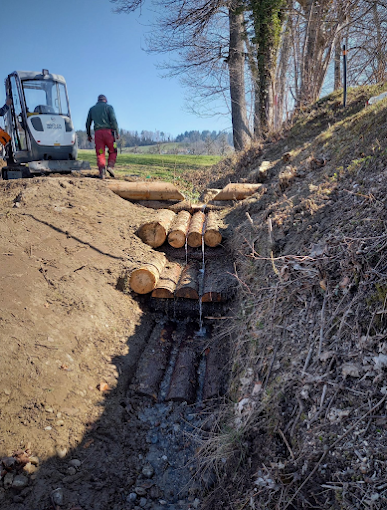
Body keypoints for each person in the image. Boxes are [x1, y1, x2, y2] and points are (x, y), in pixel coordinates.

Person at [86, 94, 120, 179]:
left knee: (100, 152)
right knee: (113, 150)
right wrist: (117, 132)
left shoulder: (92, 109)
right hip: (109, 134)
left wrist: (89, 135)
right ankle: (110, 166)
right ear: (105, 100)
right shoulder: (109, 108)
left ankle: (102, 172)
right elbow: (113, 120)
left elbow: (88, 123)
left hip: (98, 135)